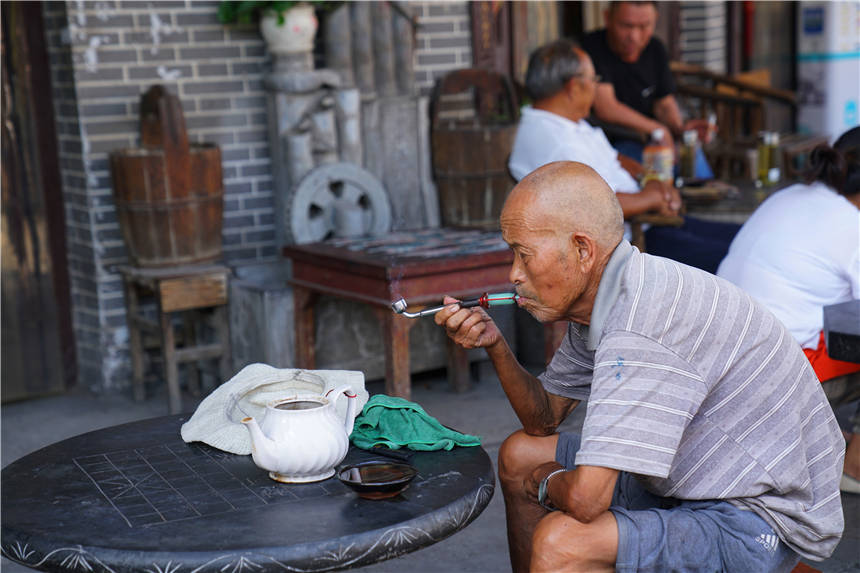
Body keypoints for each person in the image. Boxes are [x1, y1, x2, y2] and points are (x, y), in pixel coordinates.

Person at [435, 160, 844, 572]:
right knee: (521, 452)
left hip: (756, 517)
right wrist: (495, 344)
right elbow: (542, 420)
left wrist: (548, 482)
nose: (514, 274)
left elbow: (586, 500)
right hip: (692, 479)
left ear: (582, 250)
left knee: (560, 545)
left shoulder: (638, 327)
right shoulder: (605, 296)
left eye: (524, 255)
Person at [508, 39, 738, 274]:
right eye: (594, 80)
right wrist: (653, 198)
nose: (596, 88)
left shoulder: (567, 123)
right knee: (738, 258)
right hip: (631, 250)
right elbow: (595, 210)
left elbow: (616, 158)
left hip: (647, 226)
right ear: (573, 86)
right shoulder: (556, 142)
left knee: (742, 237)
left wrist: (651, 181)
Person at [718, 126, 860, 494]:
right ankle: (854, 466)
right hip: (766, 381)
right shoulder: (853, 224)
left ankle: (814, 435)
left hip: (717, 366)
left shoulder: (790, 195)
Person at [583, 0, 714, 178]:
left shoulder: (655, 49)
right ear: (607, 18)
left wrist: (680, 130)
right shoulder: (591, 49)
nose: (634, 36)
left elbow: (664, 103)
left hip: (652, 143)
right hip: (612, 145)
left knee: (692, 157)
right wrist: (658, 129)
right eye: (626, 26)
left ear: (655, 21)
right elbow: (606, 107)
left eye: (644, 26)